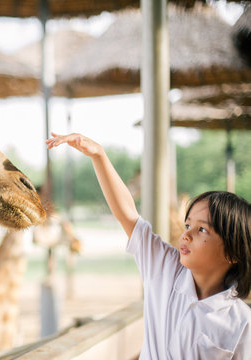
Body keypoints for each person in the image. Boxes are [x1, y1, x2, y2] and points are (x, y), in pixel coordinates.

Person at [46, 132, 251, 359]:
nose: (186, 235)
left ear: (233, 252)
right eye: (187, 225)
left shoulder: (242, 325)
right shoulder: (164, 268)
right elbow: (128, 216)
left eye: (202, 229)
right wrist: (99, 156)